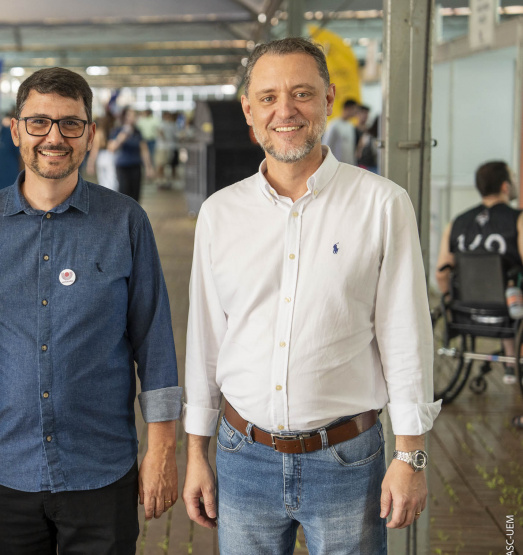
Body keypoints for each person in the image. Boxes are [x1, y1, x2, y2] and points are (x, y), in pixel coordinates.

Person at [182, 37, 440, 554]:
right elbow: (205, 341)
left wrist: (410, 455)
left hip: (347, 461)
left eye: (302, 93)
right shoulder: (219, 213)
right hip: (241, 455)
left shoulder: (382, 205)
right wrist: (196, 453)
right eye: (270, 96)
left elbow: (406, 336)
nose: (286, 110)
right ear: (249, 111)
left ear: (328, 99)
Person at [0, 67, 181, 554]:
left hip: (100, 471)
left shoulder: (125, 222)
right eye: (38, 123)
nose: (54, 137)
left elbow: (154, 341)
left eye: (70, 124)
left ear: (90, 134)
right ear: (15, 130)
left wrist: (161, 448)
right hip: (5, 468)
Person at [434, 160, 522, 386]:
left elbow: (441, 273)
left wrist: (450, 303)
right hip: (509, 312)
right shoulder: (518, 220)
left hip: (466, 313)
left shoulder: (456, 223)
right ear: (505, 187)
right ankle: (513, 360)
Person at [108, 107, 153, 202]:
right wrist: (123, 135)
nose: (132, 118)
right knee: (124, 193)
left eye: (134, 115)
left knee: (135, 195)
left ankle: (134, 216)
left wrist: (149, 167)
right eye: (130, 115)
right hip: (123, 166)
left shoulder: (137, 132)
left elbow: (144, 150)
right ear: (124, 117)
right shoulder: (118, 130)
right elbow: (111, 148)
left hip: (136, 166)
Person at [322, 98, 358, 164]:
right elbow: (326, 145)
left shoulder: (350, 126)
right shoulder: (334, 125)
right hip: (335, 165)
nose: (355, 112)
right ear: (348, 108)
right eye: (354, 109)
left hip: (349, 166)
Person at [155, 111, 180, 189]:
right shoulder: (162, 124)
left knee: (172, 165)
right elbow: (160, 133)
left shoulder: (173, 125)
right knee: (161, 165)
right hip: (163, 148)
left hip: (171, 147)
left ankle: (168, 181)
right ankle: (160, 181)